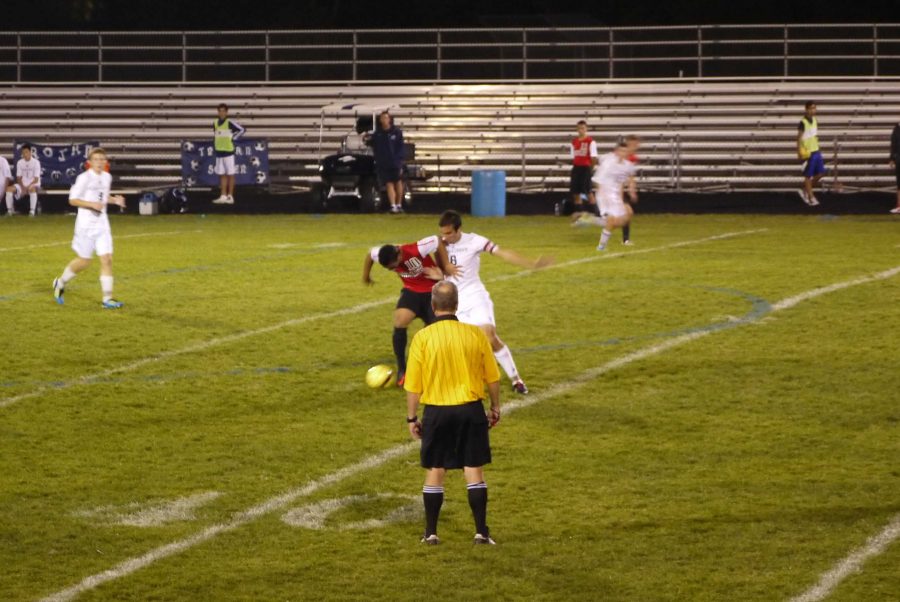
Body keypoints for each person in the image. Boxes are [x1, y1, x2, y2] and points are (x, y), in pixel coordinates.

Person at [404, 280, 501, 546]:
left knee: (436, 469)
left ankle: (431, 533)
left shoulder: (423, 337)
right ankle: (481, 532)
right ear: (457, 305)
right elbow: (492, 377)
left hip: (437, 411)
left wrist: (412, 418)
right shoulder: (475, 335)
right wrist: (495, 407)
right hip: (470, 410)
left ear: (432, 306)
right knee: (474, 470)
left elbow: (413, 385)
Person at [438, 210, 551, 394]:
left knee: (489, 336)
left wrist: (531, 263)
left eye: (449, 233)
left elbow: (503, 253)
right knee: (461, 346)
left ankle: (516, 379)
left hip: (475, 296)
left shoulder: (475, 241)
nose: (445, 237)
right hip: (453, 302)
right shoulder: (437, 244)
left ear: (459, 229)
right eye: (443, 233)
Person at [362, 235, 456, 387]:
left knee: (436, 333)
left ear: (399, 254)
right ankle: (402, 369)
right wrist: (366, 276)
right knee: (400, 321)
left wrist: (443, 268)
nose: (393, 269)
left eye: (394, 266)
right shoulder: (383, 254)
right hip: (411, 291)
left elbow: (437, 240)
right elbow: (370, 255)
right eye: (390, 268)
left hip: (433, 292)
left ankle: (433, 370)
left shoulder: (416, 248)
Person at [52, 148, 126, 309]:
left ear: (105, 162)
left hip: (102, 224)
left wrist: (115, 200)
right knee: (84, 261)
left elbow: (103, 197)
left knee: (107, 259)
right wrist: (91, 204)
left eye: (102, 159)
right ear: (89, 163)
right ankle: (60, 282)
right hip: (85, 225)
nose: (99, 162)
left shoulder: (107, 177)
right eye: (96, 159)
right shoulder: (83, 178)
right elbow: (72, 200)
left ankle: (107, 299)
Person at [572, 136, 641, 251]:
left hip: (614, 195)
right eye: (620, 151)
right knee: (612, 220)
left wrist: (629, 192)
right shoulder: (609, 163)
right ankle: (601, 246)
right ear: (617, 151)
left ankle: (589, 220)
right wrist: (600, 195)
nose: (623, 153)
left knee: (625, 217)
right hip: (604, 194)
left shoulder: (626, 165)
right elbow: (597, 180)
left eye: (625, 151)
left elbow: (624, 180)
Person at [366, 111, 405, 213]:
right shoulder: (378, 133)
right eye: (382, 118)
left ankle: (399, 204)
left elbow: (400, 147)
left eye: (386, 118)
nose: (384, 120)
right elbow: (372, 144)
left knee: (398, 182)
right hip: (383, 162)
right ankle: (393, 206)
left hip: (395, 162)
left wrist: (399, 161)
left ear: (389, 119)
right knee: (388, 183)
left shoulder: (396, 132)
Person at [212, 103, 246, 205]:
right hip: (219, 152)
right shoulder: (215, 123)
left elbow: (242, 130)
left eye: (223, 111)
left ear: (226, 112)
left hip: (228, 152)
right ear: (218, 112)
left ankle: (230, 196)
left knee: (230, 174)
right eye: (220, 111)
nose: (221, 113)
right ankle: (223, 195)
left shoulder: (229, 122)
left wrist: (233, 137)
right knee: (222, 174)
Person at [798, 101, 825, 207]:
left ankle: (805, 189)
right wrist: (799, 150)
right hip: (808, 152)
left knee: (821, 173)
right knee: (808, 175)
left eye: (814, 108)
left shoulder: (814, 120)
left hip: (816, 150)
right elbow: (799, 138)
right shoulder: (803, 122)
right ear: (807, 109)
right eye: (811, 108)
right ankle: (810, 196)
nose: (813, 110)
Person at [569, 120, 599, 215]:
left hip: (585, 168)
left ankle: (597, 214)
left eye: (583, 128)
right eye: (579, 128)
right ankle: (580, 215)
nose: (581, 130)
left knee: (588, 192)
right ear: (577, 129)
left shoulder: (590, 142)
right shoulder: (574, 142)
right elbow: (573, 157)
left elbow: (594, 157)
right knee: (576, 193)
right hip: (576, 168)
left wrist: (590, 169)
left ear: (586, 129)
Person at [6, 145, 41, 217]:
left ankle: (32, 212)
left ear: (30, 152)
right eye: (23, 153)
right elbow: (18, 177)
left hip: (33, 183)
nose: (25, 154)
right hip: (22, 184)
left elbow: (36, 179)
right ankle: (10, 211)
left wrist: (27, 187)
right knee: (9, 189)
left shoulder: (36, 162)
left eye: (26, 152)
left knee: (32, 189)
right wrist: (23, 187)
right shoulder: (20, 162)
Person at [890, 120, 900, 214]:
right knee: (899, 183)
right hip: (899, 158)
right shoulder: (896, 129)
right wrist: (892, 158)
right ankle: (899, 205)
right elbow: (893, 145)